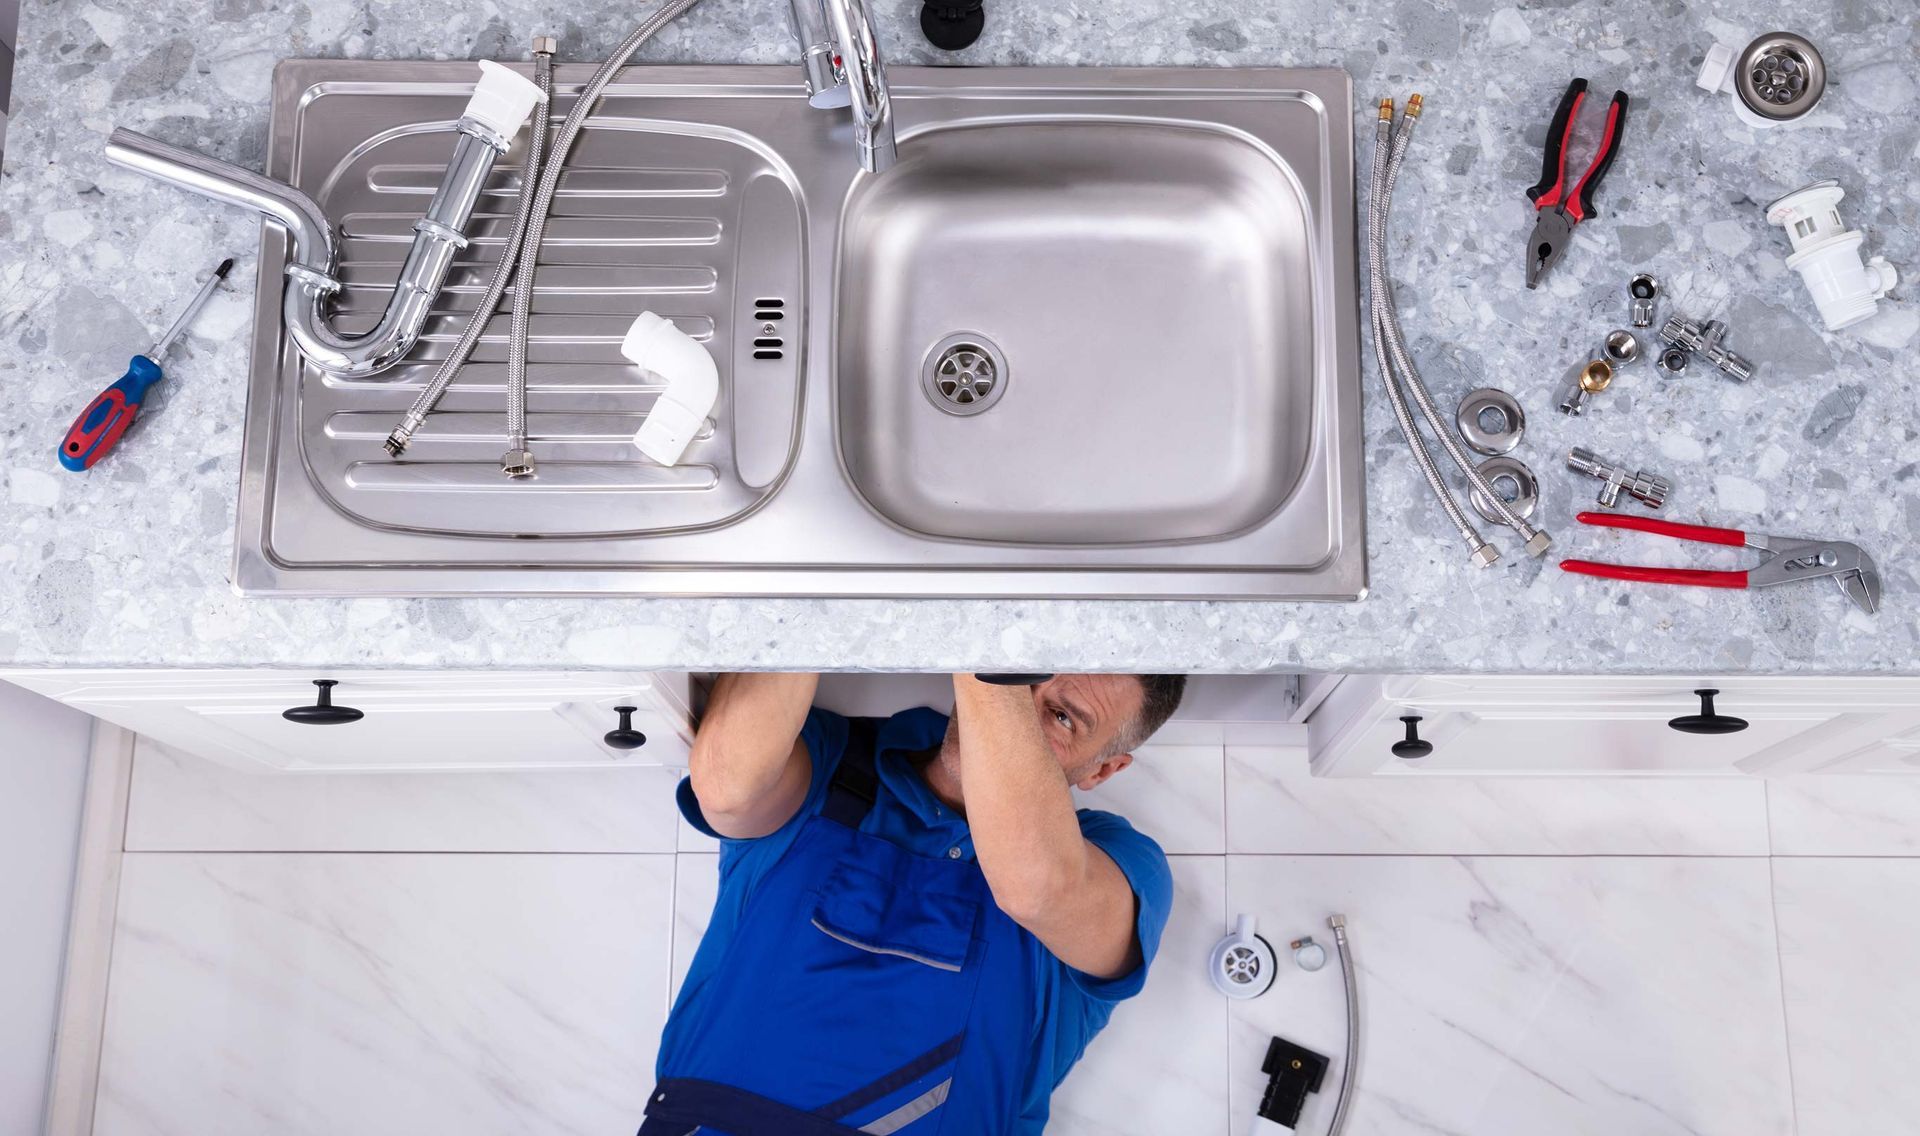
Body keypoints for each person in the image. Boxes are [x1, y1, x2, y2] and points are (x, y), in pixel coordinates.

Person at [641, 672, 1188, 1136]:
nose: (1013, 714)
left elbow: (1038, 887)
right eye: (1027, 678)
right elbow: (727, 790)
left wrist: (996, 640)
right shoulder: (832, 761)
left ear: (1101, 770)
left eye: (1062, 719)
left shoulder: (1117, 864)